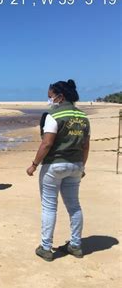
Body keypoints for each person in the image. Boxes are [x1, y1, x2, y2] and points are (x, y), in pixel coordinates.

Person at [27, 79, 90, 262]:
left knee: (49, 207)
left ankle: (46, 248)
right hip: (76, 165)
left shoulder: (53, 115)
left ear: (59, 97)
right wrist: (83, 166)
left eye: (50, 97)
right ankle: (76, 245)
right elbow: (85, 146)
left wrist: (34, 164)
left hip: (54, 165)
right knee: (74, 206)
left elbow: (47, 143)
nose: (49, 100)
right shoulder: (83, 117)